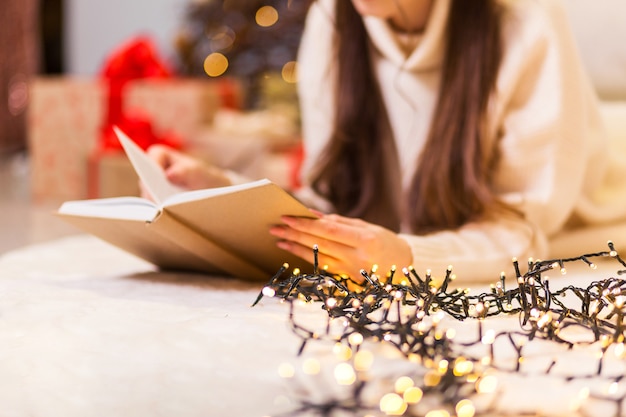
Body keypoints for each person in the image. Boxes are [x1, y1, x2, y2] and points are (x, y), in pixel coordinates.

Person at [146, 0, 626, 283]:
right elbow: (337, 201)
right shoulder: (335, 18)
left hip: (579, 218)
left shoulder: (522, 21)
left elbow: (522, 234)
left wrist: (408, 258)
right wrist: (223, 191)